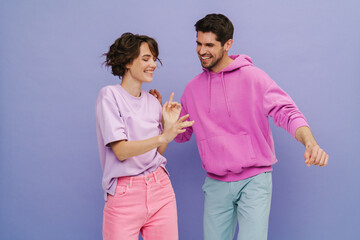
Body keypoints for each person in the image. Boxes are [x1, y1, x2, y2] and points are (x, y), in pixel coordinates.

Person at [173, 14, 329, 240]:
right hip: (215, 182)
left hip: (254, 180)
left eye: (209, 45)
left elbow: (287, 112)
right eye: (198, 43)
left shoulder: (254, 78)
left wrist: (310, 143)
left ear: (228, 45)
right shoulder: (192, 89)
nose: (201, 51)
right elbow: (181, 135)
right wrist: (164, 119)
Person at [95, 33, 193, 240]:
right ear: (128, 62)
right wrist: (163, 136)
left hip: (161, 189)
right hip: (124, 195)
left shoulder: (152, 101)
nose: (153, 64)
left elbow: (157, 152)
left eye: (154, 59)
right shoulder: (109, 96)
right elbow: (121, 151)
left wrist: (167, 124)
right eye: (146, 58)